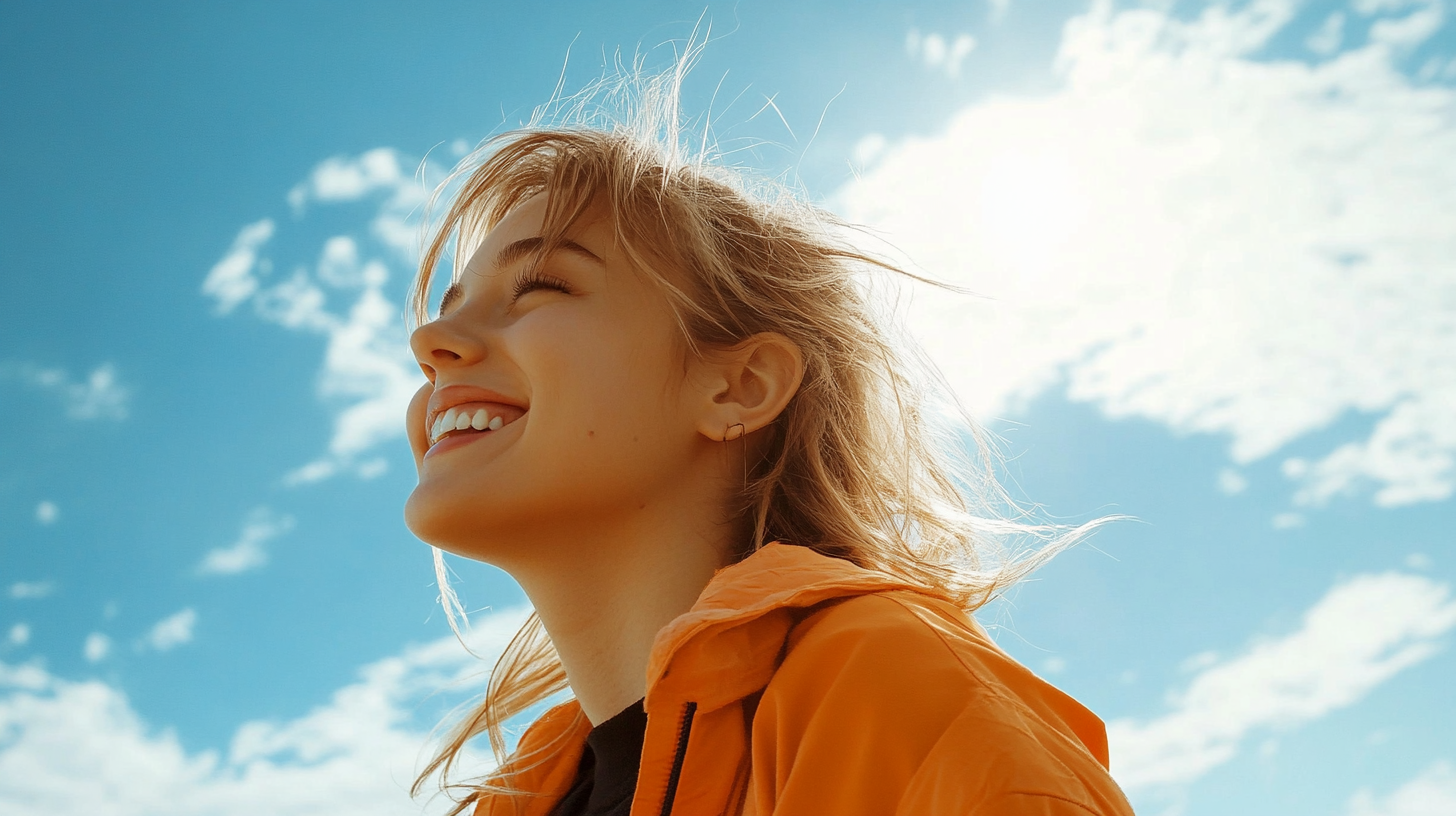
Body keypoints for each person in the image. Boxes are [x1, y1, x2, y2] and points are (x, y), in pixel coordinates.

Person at [402, 63, 1136, 816]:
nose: (431, 339)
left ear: (738, 386)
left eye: (540, 288)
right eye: (450, 308)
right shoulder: (524, 798)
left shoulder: (905, 700)